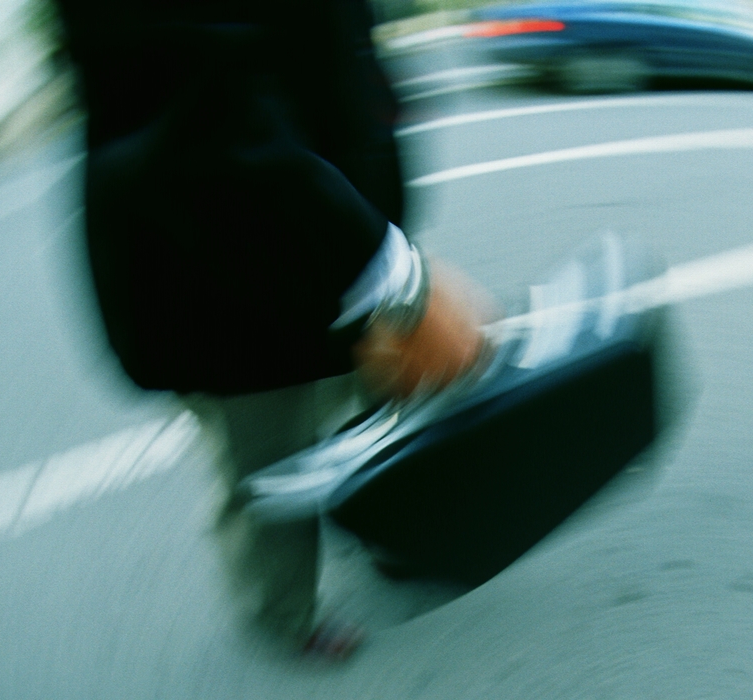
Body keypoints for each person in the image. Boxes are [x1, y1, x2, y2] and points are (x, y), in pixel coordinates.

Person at [52, 0, 487, 657]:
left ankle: (387, 530)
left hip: (333, 221)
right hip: (221, 265)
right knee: (267, 458)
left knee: (373, 407)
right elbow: (187, 105)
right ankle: (282, 614)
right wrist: (392, 273)